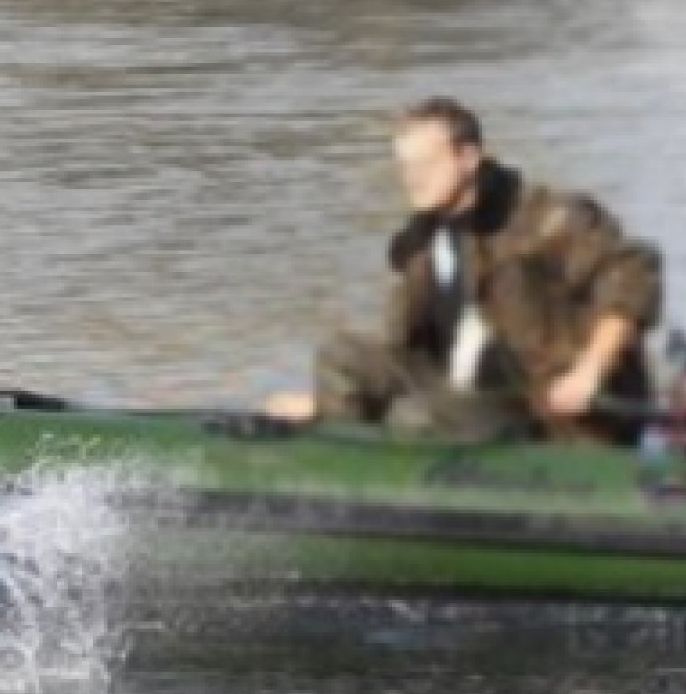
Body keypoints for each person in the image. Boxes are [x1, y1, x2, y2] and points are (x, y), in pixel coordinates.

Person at [268, 98, 663, 445]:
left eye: (426, 164)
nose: (413, 178)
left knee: (412, 417)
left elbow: (633, 273)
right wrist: (329, 403)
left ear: (468, 158)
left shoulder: (544, 219)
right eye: (405, 167)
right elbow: (406, 349)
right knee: (341, 357)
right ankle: (338, 467)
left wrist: (589, 372)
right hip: (461, 397)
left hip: (539, 410)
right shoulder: (421, 241)